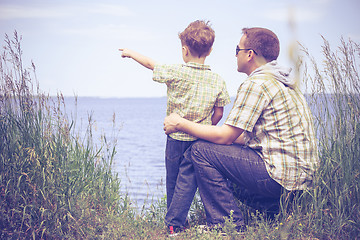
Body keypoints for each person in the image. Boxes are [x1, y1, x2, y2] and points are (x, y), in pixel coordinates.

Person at [164, 27, 319, 231]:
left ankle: (226, 225)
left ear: (249, 54)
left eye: (237, 49)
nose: (235, 54)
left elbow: (226, 137)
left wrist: (181, 123)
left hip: (279, 179)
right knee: (217, 155)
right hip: (301, 184)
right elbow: (243, 137)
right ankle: (272, 210)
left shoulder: (257, 83)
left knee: (200, 151)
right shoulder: (283, 82)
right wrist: (210, 134)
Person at [119, 20, 231, 234]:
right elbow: (219, 112)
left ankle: (174, 223)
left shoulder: (176, 72)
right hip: (199, 140)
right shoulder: (218, 81)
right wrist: (207, 125)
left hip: (175, 139)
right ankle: (178, 221)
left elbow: (152, 64)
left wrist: (130, 53)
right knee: (189, 182)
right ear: (210, 50)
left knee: (173, 181)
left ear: (184, 50)